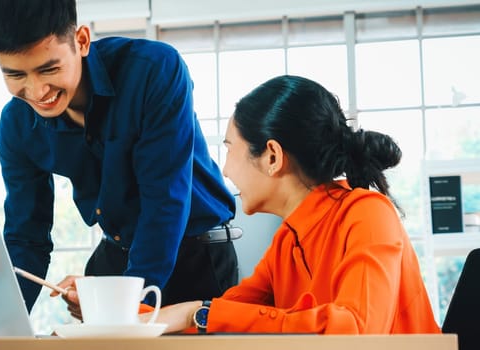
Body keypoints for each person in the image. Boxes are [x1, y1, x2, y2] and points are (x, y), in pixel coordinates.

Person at [0, 0, 239, 318]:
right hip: (116, 255)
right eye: (15, 75)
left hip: (196, 254)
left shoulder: (154, 70)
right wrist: (1, 319)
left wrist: (125, 304)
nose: (37, 90)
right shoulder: (17, 124)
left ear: (81, 41)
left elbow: (164, 202)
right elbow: (26, 234)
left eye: (49, 69)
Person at [140, 75, 441, 334]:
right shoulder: (287, 241)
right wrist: (121, 313)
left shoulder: (368, 213)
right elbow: (223, 315)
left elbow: (355, 329)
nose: (225, 170)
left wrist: (199, 313)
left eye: (230, 149)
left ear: (272, 156)